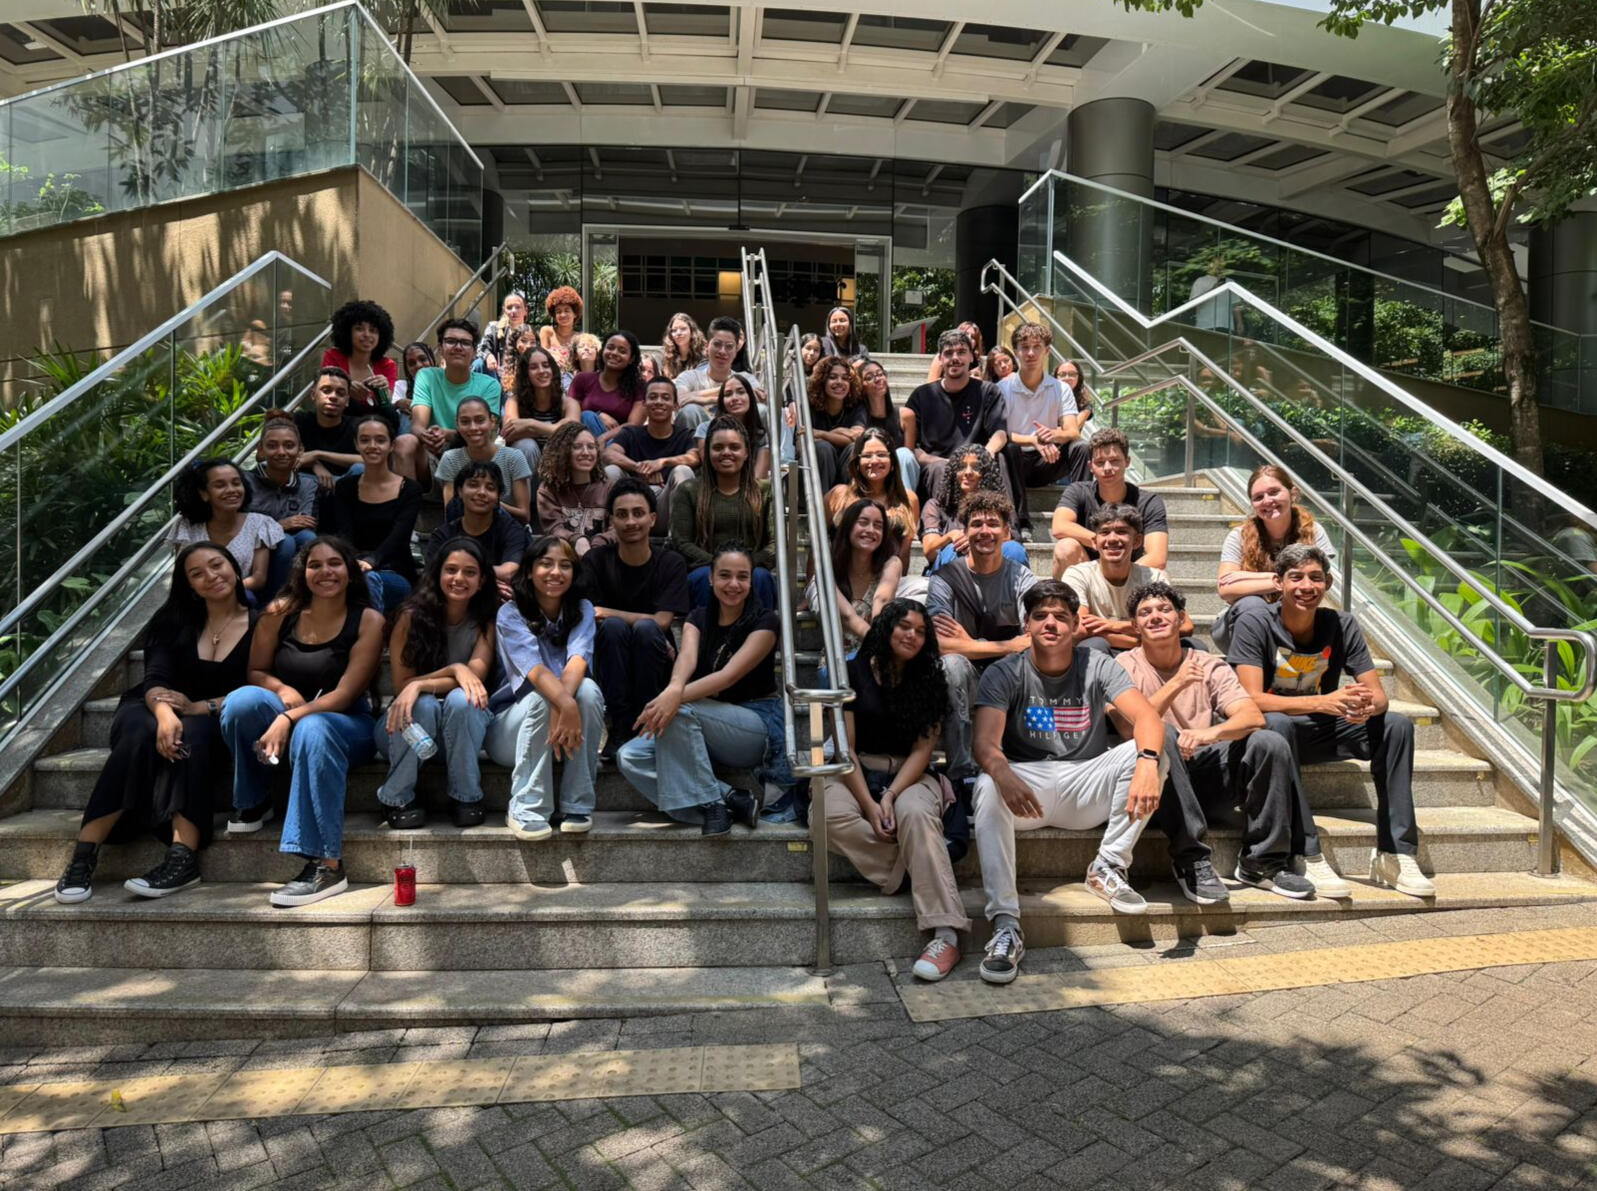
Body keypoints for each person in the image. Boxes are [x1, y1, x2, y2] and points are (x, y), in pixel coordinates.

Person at [973, 581, 1170, 982]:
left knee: (1152, 752)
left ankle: (1108, 866)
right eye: (1040, 616)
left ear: (1077, 625)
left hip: (1085, 781)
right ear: (1026, 625)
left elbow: (1147, 718)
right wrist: (1003, 772)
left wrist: (1148, 763)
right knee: (988, 783)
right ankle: (1006, 924)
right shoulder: (1004, 671)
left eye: (1061, 617)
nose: (1051, 623)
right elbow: (984, 743)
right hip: (1027, 787)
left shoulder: (1097, 664)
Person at [54, 544, 256, 904]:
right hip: (151, 703)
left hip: (212, 711)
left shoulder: (261, 623)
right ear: (188, 585)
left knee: (192, 737)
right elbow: (156, 677)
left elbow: (260, 685)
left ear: (235, 568)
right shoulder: (172, 619)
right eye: (197, 573)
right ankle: (83, 857)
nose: (211, 576)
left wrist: (201, 707)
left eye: (217, 565)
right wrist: (164, 714)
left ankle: (183, 859)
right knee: (139, 734)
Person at [1228, 544, 1431, 899]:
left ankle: (1395, 852)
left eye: (1315, 578)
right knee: (1277, 724)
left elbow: (1379, 697)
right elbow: (1250, 700)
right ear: (1278, 583)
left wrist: (1364, 708)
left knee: (1396, 726)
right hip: (1270, 740)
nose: (1306, 586)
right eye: (1296, 577)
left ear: (1328, 583)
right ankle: (1306, 851)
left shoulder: (1341, 624)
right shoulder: (1255, 622)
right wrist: (1324, 702)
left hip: (1320, 729)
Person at [1118, 582, 1310, 902]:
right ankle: (1191, 859)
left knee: (1269, 742)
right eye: (1145, 612)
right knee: (1162, 733)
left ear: (1181, 619)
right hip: (1155, 782)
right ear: (1135, 626)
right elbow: (1128, 729)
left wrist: (1210, 734)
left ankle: (1262, 861)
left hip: (1204, 770)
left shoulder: (1208, 664)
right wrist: (1177, 684)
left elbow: (1252, 716)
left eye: (1164, 609)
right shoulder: (1124, 665)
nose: (1155, 616)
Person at [220, 536, 383, 907]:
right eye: (315, 565)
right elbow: (256, 671)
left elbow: (345, 694)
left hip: (346, 726)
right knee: (242, 702)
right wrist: (282, 690)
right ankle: (254, 799)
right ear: (303, 573)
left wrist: (288, 717)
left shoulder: (368, 620)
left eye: (335, 563)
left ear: (351, 572)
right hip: (290, 714)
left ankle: (327, 864)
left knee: (313, 727)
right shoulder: (280, 612)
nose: (325, 571)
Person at [825, 600, 969, 981]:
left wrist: (889, 796)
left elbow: (923, 751)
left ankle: (946, 934)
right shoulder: (852, 672)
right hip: (856, 768)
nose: (912, 636)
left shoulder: (931, 678)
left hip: (909, 772)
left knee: (916, 814)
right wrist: (869, 804)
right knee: (828, 815)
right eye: (904, 626)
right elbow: (845, 748)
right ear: (886, 628)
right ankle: (921, 868)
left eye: (921, 631)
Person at [616, 543, 787, 835]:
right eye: (725, 575)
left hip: (756, 725)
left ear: (751, 580)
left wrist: (672, 698)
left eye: (742, 576)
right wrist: (673, 690)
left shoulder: (766, 621)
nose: (733, 584)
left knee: (680, 709)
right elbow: (686, 659)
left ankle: (711, 804)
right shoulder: (697, 617)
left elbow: (727, 677)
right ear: (710, 578)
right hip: (701, 724)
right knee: (630, 757)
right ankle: (730, 798)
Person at [374, 538, 499, 830]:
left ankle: (466, 797)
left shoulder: (486, 620)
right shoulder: (409, 617)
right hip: (403, 730)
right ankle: (396, 797)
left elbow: (474, 680)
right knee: (424, 704)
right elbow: (403, 686)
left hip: (459, 735)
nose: (459, 578)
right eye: (451, 570)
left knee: (463, 699)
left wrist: (422, 683)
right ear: (437, 573)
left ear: (481, 581)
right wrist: (455, 669)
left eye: (470, 572)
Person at [485, 537, 605, 839]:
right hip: (510, 731)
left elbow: (578, 660)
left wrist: (564, 703)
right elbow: (536, 672)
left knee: (589, 690)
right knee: (541, 697)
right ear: (529, 571)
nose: (556, 572)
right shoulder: (510, 613)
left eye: (565, 565)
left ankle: (577, 804)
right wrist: (564, 703)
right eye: (546, 564)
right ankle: (526, 807)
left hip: (562, 731)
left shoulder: (582, 609)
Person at [925, 491, 1037, 787]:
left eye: (993, 524)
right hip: (967, 677)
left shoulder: (1022, 578)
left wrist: (970, 644)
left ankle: (1027, 761)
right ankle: (961, 772)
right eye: (976, 524)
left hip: (1011, 677)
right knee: (951, 665)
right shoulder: (945, 579)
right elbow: (939, 643)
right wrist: (1006, 645)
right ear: (964, 532)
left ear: (1007, 532)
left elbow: (1033, 641)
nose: (985, 531)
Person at [583, 478, 691, 762]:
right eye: (622, 514)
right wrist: (610, 617)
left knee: (645, 629)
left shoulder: (671, 563)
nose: (631, 522)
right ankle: (620, 728)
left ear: (653, 519)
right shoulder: (595, 561)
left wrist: (608, 611)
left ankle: (647, 725)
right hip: (609, 657)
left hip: (655, 659)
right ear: (611, 521)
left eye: (638, 513)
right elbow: (589, 616)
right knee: (615, 628)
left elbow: (662, 622)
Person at [1212, 464, 1339, 652]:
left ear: (1292, 493)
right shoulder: (1239, 536)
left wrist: (1248, 578)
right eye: (1258, 497)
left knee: (1332, 620)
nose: (1267, 501)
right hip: (1239, 627)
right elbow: (1226, 589)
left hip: (1294, 622)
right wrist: (1286, 579)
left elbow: (1316, 582)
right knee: (1252, 604)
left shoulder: (1313, 532)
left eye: (1274, 492)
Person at [669, 416, 778, 609]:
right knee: (704, 577)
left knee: (761, 577)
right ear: (708, 452)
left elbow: (775, 544)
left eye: (734, 447)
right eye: (718, 447)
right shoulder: (689, 490)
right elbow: (681, 542)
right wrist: (719, 566)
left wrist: (744, 566)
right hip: (705, 569)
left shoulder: (765, 491)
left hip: (752, 570)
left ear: (746, 453)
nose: (726, 453)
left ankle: (762, 628)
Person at [317, 414, 422, 611]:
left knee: (367, 581)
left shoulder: (410, 489)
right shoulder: (345, 487)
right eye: (365, 440)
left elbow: (399, 537)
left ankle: (368, 629)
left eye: (380, 440)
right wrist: (355, 563)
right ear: (356, 445)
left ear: (391, 446)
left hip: (394, 569)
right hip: (352, 566)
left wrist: (371, 561)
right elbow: (345, 533)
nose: (372, 446)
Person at [1062, 504, 1189, 654]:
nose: (1112, 539)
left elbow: (1185, 626)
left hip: (1150, 653)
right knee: (1093, 645)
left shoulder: (1153, 577)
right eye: (1105, 532)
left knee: (1192, 645)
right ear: (1095, 542)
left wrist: (1114, 625)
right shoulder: (1078, 574)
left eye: (1121, 532)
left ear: (1137, 541)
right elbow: (1080, 628)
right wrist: (1137, 642)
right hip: (1116, 648)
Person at [998, 321, 1082, 539]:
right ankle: (1019, 522)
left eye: (1037, 347)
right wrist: (1033, 440)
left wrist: (1052, 435)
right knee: (1008, 448)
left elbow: (1073, 431)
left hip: (1049, 459)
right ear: (1016, 351)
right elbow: (998, 433)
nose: (1030, 353)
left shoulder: (1060, 388)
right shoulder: (1002, 389)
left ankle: (1082, 516)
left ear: (1047, 351)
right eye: (1024, 347)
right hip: (1015, 463)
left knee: (1081, 448)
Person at [904, 328, 1009, 501]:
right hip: (936, 464)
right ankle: (942, 518)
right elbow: (912, 448)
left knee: (1002, 458)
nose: (955, 358)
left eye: (961, 352)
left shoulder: (988, 392)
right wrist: (944, 462)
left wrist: (984, 456)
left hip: (977, 461)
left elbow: (1000, 433)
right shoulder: (921, 396)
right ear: (940, 359)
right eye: (948, 353)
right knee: (940, 469)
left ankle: (1008, 517)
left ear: (972, 357)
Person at [165, 458, 283, 604]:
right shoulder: (186, 526)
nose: (232, 490)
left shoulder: (260, 524)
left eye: (236, 483)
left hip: (237, 598)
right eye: (220, 485)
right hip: (194, 600)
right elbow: (181, 575)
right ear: (204, 494)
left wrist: (220, 589)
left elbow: (258, 578)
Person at [1051, 428, 1169, 572]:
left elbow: (1157, 557)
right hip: (1087, 576)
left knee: (1163, 577)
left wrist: (1116, 574)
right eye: (1100, 462)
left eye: (1114, 461)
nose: (1107, 468)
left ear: (1127, 462)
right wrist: (1102, 540)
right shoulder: (1077, 491)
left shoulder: (1149, 501)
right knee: (1065, 547)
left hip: (1130, 577)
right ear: (1091, 466)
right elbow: (1060, 526)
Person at [809, 498, 902, 654]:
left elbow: (882, 600)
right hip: (839, 658)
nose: (871, 530)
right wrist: (876, 641)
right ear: (848, 527)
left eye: (878, 526)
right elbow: (847, 616)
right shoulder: (826, 568)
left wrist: (877, 650)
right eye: (863, 522)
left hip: (875, 654)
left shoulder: (892, 564)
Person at [425, 460, 530, 597]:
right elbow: (432, 575)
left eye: (490, 488)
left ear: (498, 497)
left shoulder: (511, 530)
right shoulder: (443, 535)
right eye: (473, 485)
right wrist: (484, 582)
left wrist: (463, 576)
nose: (482, 492)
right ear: (460, 491)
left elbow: (510, 571)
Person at [825, 427, 921, 575]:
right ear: (857, 462)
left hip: (887, 581)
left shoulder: (908, 500)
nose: (874, 461)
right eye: (867, 455)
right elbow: (817, 546)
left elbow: (904, 554)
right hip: (840, 580)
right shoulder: (837, 495)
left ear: (892, 461)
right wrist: (813, 586)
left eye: (881, 455)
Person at [920, 444, 1028, 573]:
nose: (968, 472)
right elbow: (929, 552)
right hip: (951, 567)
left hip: (992, 566)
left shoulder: (999, 505)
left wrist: (976, 538)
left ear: (986, 474)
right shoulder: (936, 506)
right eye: (961, 467)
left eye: (976, 467)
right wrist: (950, 536)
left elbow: (1009, 537)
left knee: (1014, 550)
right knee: (952, 550)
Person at [603, 376, 700, 517]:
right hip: (632, 508)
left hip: (668, 506)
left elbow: (694, 458)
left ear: (675, 406)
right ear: (644, 403)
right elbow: (609, 453)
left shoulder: (686, 435)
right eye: (653, 397)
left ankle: (679, 530)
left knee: (683, 471)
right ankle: (610, 526)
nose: (659, 402)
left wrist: (662, 462)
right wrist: (639, 467)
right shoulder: (631, 433)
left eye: (665, 398)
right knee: (611, 471)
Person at [249, 411, 321, 599]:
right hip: (249, 551)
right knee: (286, 541)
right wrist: (281, 524)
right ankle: (274, 601)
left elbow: (305, 523)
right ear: (261, 450)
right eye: (272, 446)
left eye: (289, 446)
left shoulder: (309, 484)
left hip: (286, 554)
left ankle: (302, 599)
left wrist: (274, 526)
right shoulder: (245, 482)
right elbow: (237, 529)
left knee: (307, 537)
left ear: (300, 450)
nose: (281, 452)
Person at [435, 395, 534, 524]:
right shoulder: (451, 459)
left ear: (492, 421)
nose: (473, 427)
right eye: (465, 422)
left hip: (507, 529)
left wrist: (490, 503)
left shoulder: (513, 458)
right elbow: (451, 514)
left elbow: (524, 515)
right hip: (466, 531)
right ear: (457, 424)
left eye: (480, 420)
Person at [412, 319, 503, 458]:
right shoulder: (427, 376)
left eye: (465, 343)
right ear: (440, 349)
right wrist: (428, 436)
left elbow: (485, 434)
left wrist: (445, 434)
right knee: (405, 442)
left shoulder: (490, 385)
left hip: (472, 451)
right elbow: (418, 426)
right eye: (450, 341)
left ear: (474, 352)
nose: (458, 347)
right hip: (432, 448)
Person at [501, 344, 580, 475]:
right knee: (526, 445)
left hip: (558, 464)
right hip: (527, 466)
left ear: (552, 369)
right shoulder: (514, 401)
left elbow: (572, 432)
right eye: (533, 367)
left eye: (546, 365)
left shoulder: (568, 403)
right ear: (526, 374)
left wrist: (530, 424)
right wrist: (554, 429)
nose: (542, 371)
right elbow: (509, 433)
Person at [536, 422, 612, 556]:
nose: (586, 452)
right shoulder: (548, 490)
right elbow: (554, 529)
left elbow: (616, 528)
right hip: (564, 557)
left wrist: (598, 543)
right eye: (577, 447)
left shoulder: (609, 487)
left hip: (602, 556)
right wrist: (577, 539)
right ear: (563, 452)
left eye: (591, 447)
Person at [675, 317, 760, 431]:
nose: (722, 351)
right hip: (699, 438)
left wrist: (696, 397)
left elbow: (759, 398)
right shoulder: (689, 377)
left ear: (736, 351)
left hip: (737, 436)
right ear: (707, 346)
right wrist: (730, 393)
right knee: (690, 410)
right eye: (717, 344)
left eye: (729, 346)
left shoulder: (746, 378)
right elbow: (681, 400)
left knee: (761, 410)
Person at [848, 358, 919, 493]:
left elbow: (909, 458)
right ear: (862, 386)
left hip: (899, 476)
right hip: (870, 473)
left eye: (880, 374)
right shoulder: (858, 418)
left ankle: (904, 502)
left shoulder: (906, 415)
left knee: (904, 454)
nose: (877, 379)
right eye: (869, 377)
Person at [321, 299, 398, 417]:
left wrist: (383, 391)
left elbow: (387, 404)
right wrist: (345, 388)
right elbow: (325, 390)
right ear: (347, 332)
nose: (367, 334)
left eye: (373, 330)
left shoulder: (388, 365)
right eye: (359, 328)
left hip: (375, 422)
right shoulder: (333, 356)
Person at [693, 373, 771, 480]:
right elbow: (711, 470)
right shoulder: (705, 429)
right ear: (722, 401)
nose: (734, 398)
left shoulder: (761, 435)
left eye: (741, 392)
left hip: (750, 487)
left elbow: (759, 478)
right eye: (728, 394)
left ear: (750, 397)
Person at [570, 330, 645, 442]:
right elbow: (570, 416)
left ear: (631, 359)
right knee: (587, 416)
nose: (614, 353)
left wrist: (604, 438)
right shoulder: (582, 379)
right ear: (602, 351)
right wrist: (598, 416)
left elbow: (633, 425)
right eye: (610, 347)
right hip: (584, 441)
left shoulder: (639, 386)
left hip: (621, 443)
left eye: (622, 351)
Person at [808, 355, 868, 491]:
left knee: (854, 448)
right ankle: (822, 502)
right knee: (824, 448)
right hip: (817, 471)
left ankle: (850, 499)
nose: (840, 382)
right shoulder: (809, 406)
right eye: (833, 377)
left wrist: (823, 434)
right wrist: (843, 434)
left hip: (845, 468)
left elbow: (859, 438)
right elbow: (802, 444)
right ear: (822, 381)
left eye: (845, 378)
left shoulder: (857, 405)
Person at [295, 366, 362, 488]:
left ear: (347, 401)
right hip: (305, 483)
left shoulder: (357, 426)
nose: (333, 396)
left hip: (344, 486)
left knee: (360, 469)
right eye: (326, 390)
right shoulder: (300, 420)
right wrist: (314, 464)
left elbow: (370, 460)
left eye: (340, 393)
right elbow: (271, 454)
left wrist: (318, 454)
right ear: (313, 395)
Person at [477, 292, 530, 379]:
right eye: (509, 307)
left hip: (521, 379)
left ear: (525, 311)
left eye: (518, 307)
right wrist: (488, 356)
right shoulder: (494, 328)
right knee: (479, 363)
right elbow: (482, 348)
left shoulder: (531, 334)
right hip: (496, 376)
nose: (513, 311)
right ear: (504, 311)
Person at [539, 285, 582, 374]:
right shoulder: (547, 332)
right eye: (558, 312)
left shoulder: (580, 337)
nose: (563, 315)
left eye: (567, 311)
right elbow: (541, 357)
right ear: (554, 316)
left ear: (575, 314)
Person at [392, 341, 435, 426]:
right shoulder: (400, 386)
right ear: (407, 369)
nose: (418, 365)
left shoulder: (446, 382)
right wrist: (399, 404)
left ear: (433, 360)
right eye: (412, 363)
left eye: (423, 359)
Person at [662, 312, 706, 379]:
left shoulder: (703, 356)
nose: (678, 333)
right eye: (674, 330)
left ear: (692, 331)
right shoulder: (668, 358)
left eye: (683, 329)